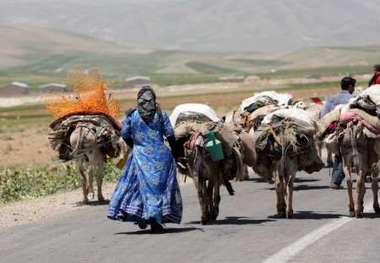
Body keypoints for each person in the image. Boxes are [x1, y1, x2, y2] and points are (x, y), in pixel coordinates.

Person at [107, 86, 183, 233]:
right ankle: (155, 220)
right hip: (161, 157)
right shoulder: (161, 115)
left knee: (138, 188)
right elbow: (170, 136)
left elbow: (124, 134)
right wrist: (176, 153)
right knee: (158, 190)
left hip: (140, 156)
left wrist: (135, 146)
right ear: (153, 99)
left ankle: (143, 216)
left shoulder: (132, 115)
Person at [321, 76, 356, 189]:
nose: (354, 88)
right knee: (344, 155)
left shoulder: (331, 99)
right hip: (349, 130)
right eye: (353, 86)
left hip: (333, 131)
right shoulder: (354, 99)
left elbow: (324, 116)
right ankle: (336, 181)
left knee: (339, 154)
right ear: (350, 86)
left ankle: (335, 180)